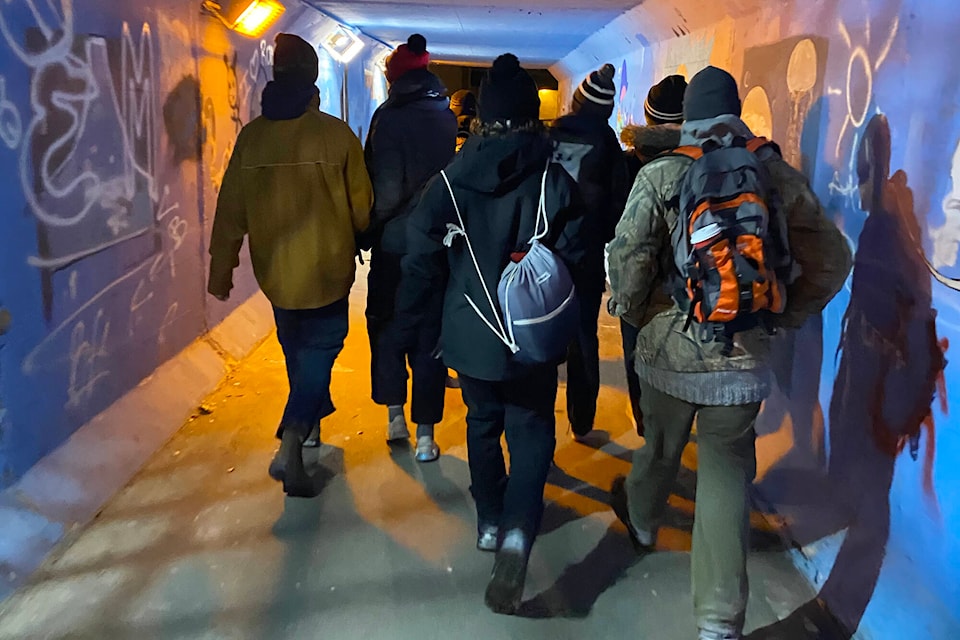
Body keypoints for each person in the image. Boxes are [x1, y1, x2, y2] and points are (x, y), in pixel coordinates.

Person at [606, 66, 850, 640]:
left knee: (661, 445)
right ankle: (719, 622)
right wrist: (780, 315)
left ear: (688, 116)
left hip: (670, 347)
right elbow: (833, 259)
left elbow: (629, 257)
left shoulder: (662, 173)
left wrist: (637, 314)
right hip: (744, 355)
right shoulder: (773, 173)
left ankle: (642, 521)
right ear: (738, 111)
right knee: (727, 470)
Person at [393, 53, 585, 615]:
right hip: (531, 336)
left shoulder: (450, 183)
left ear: (481, 118)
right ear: (532, 116)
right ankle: (519, 535)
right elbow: (575, 254)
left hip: (470, 333)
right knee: (530, 431)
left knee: (481, 424)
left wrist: (412, 325)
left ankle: (488, 520)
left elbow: (421, 260)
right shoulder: (554, 179)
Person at [208, 33, 372, 496]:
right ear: (314, 79)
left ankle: (312, 424)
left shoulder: (252, 138)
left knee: (295, 349)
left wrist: (221, 270)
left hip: (276, 271)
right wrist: (360, 234)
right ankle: (294, 436)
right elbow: (362, 208)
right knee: (322, 348)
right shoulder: (335, 134)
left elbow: (230, 210)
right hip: (327, 269)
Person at [363, 34, 457, 462]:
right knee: (429, 334)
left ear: (394, 79)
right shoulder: (446, 115)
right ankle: (426, 435)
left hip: (395, 243)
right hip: (436, 243)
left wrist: (369, 228)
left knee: (386, 326)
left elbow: (384, 186)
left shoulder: (390, 118)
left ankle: (395, 415)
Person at [549, 64, 629, 440]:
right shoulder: (609, 146)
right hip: (585, 258)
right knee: (583, 337)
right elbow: (618, 207)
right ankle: (581, 420)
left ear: (576, 102)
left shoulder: (549, 136)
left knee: (540, 334)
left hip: (543, 254)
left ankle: (538, 422)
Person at [616, 74, 686, 435]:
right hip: (697, 289)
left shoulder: (632, 164)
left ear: (648, 116)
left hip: (646, 292)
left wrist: (624, 299)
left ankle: (649, 429)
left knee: (639, 365)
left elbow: (630, 243)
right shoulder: (710, 160)